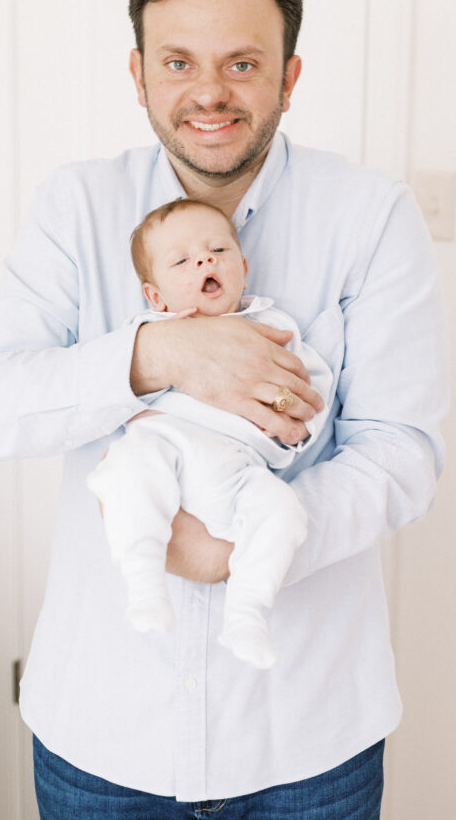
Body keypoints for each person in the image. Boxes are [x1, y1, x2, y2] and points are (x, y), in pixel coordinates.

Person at [0, 0, 448, 818]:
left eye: (242, 63)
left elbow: (400, 452)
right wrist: (160, 353)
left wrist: (244, 552)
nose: (209, 92)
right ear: (138, 75)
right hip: (104, 733)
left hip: (308, 737)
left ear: (288, 77)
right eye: (178, 61)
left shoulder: (371, 216)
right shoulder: (76, 206)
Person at [88, 197, 332, 670]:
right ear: (156, 297)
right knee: (126, 472)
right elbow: (113, 390)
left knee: (283, 512)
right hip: (166, 443)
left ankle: (246, 614)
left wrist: (293, 422)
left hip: (238, 466)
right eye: (181, 260)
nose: (204, 260)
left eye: (217, 250)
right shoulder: (148, 330)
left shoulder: (274, 328)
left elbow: (310, 388)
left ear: (242, 266)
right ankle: (142, 583)